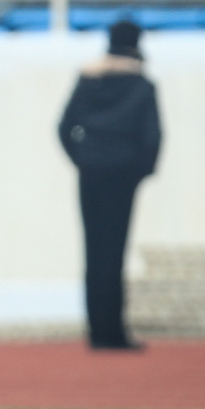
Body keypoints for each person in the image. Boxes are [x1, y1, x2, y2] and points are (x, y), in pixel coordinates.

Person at [57, 19, 163, 351]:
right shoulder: (142, 85)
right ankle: (114, 332)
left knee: (93, 250)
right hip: (122, 176)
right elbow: (153, 137)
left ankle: (96, 331)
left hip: (91, 172)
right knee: (114, 252)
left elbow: (63, 127)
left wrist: (83, 159)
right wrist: (139, 171)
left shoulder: (89, 80)